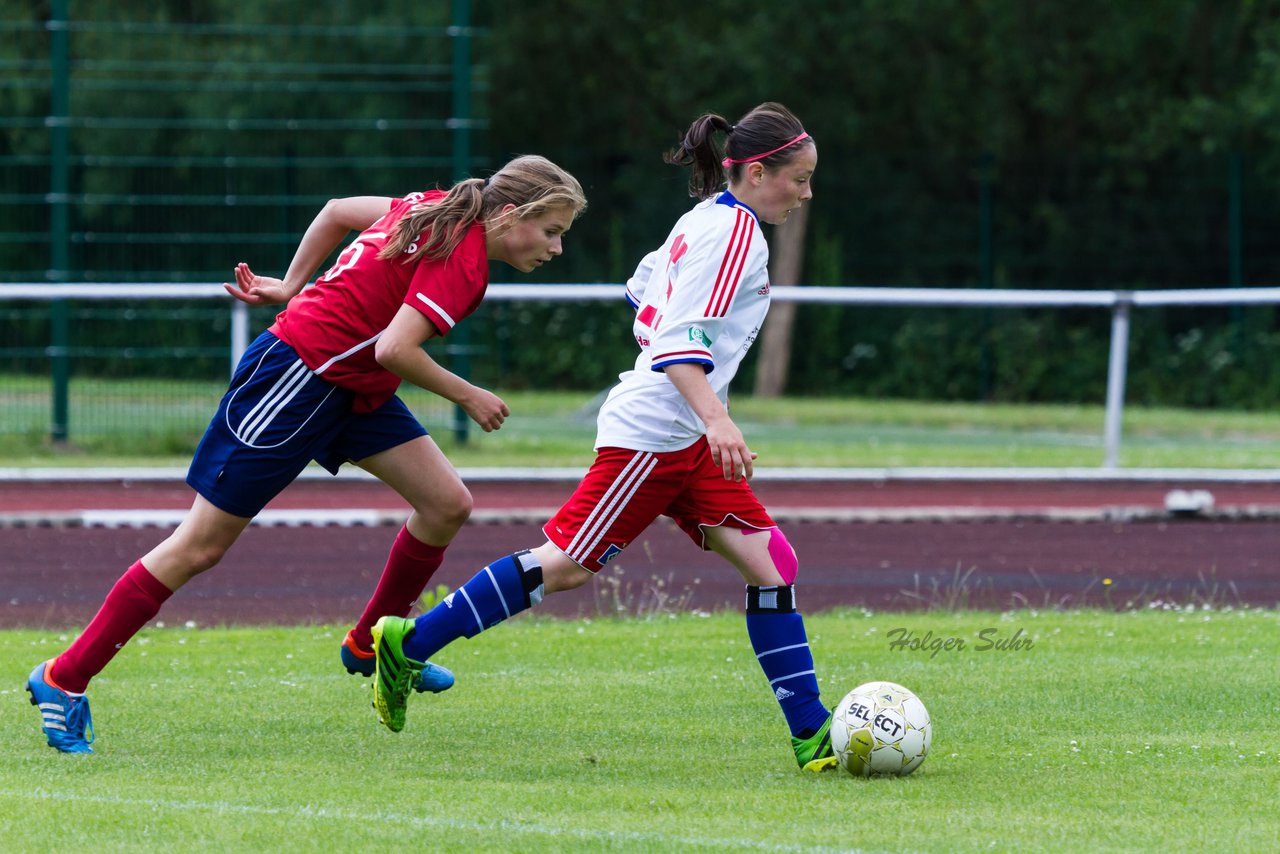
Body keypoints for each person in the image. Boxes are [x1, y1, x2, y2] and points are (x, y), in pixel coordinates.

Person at [26, 155, 588, 754]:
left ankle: (372, 643)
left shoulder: (438, 207)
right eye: (551, 231)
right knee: (200, 547)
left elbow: (337, 211)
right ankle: (64, 678)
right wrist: (467, 394)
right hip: (296, 381)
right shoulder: (463, 258)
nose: (555, 248)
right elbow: (396, 349)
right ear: (509, 215)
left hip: (349, 388)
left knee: (445, 503)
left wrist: (293, 284)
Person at [368, 103, 836, 772]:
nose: (807, 192)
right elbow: (676, 338)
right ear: (758, 173)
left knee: (772, 565)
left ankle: (813, 737)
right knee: (562, 568)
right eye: (801, 178)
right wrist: (716, 416)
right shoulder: (737, 235)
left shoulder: (706, 218)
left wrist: (696, 400)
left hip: (680, 432)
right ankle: (408, 644)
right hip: (654, 435)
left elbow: (644, 291)